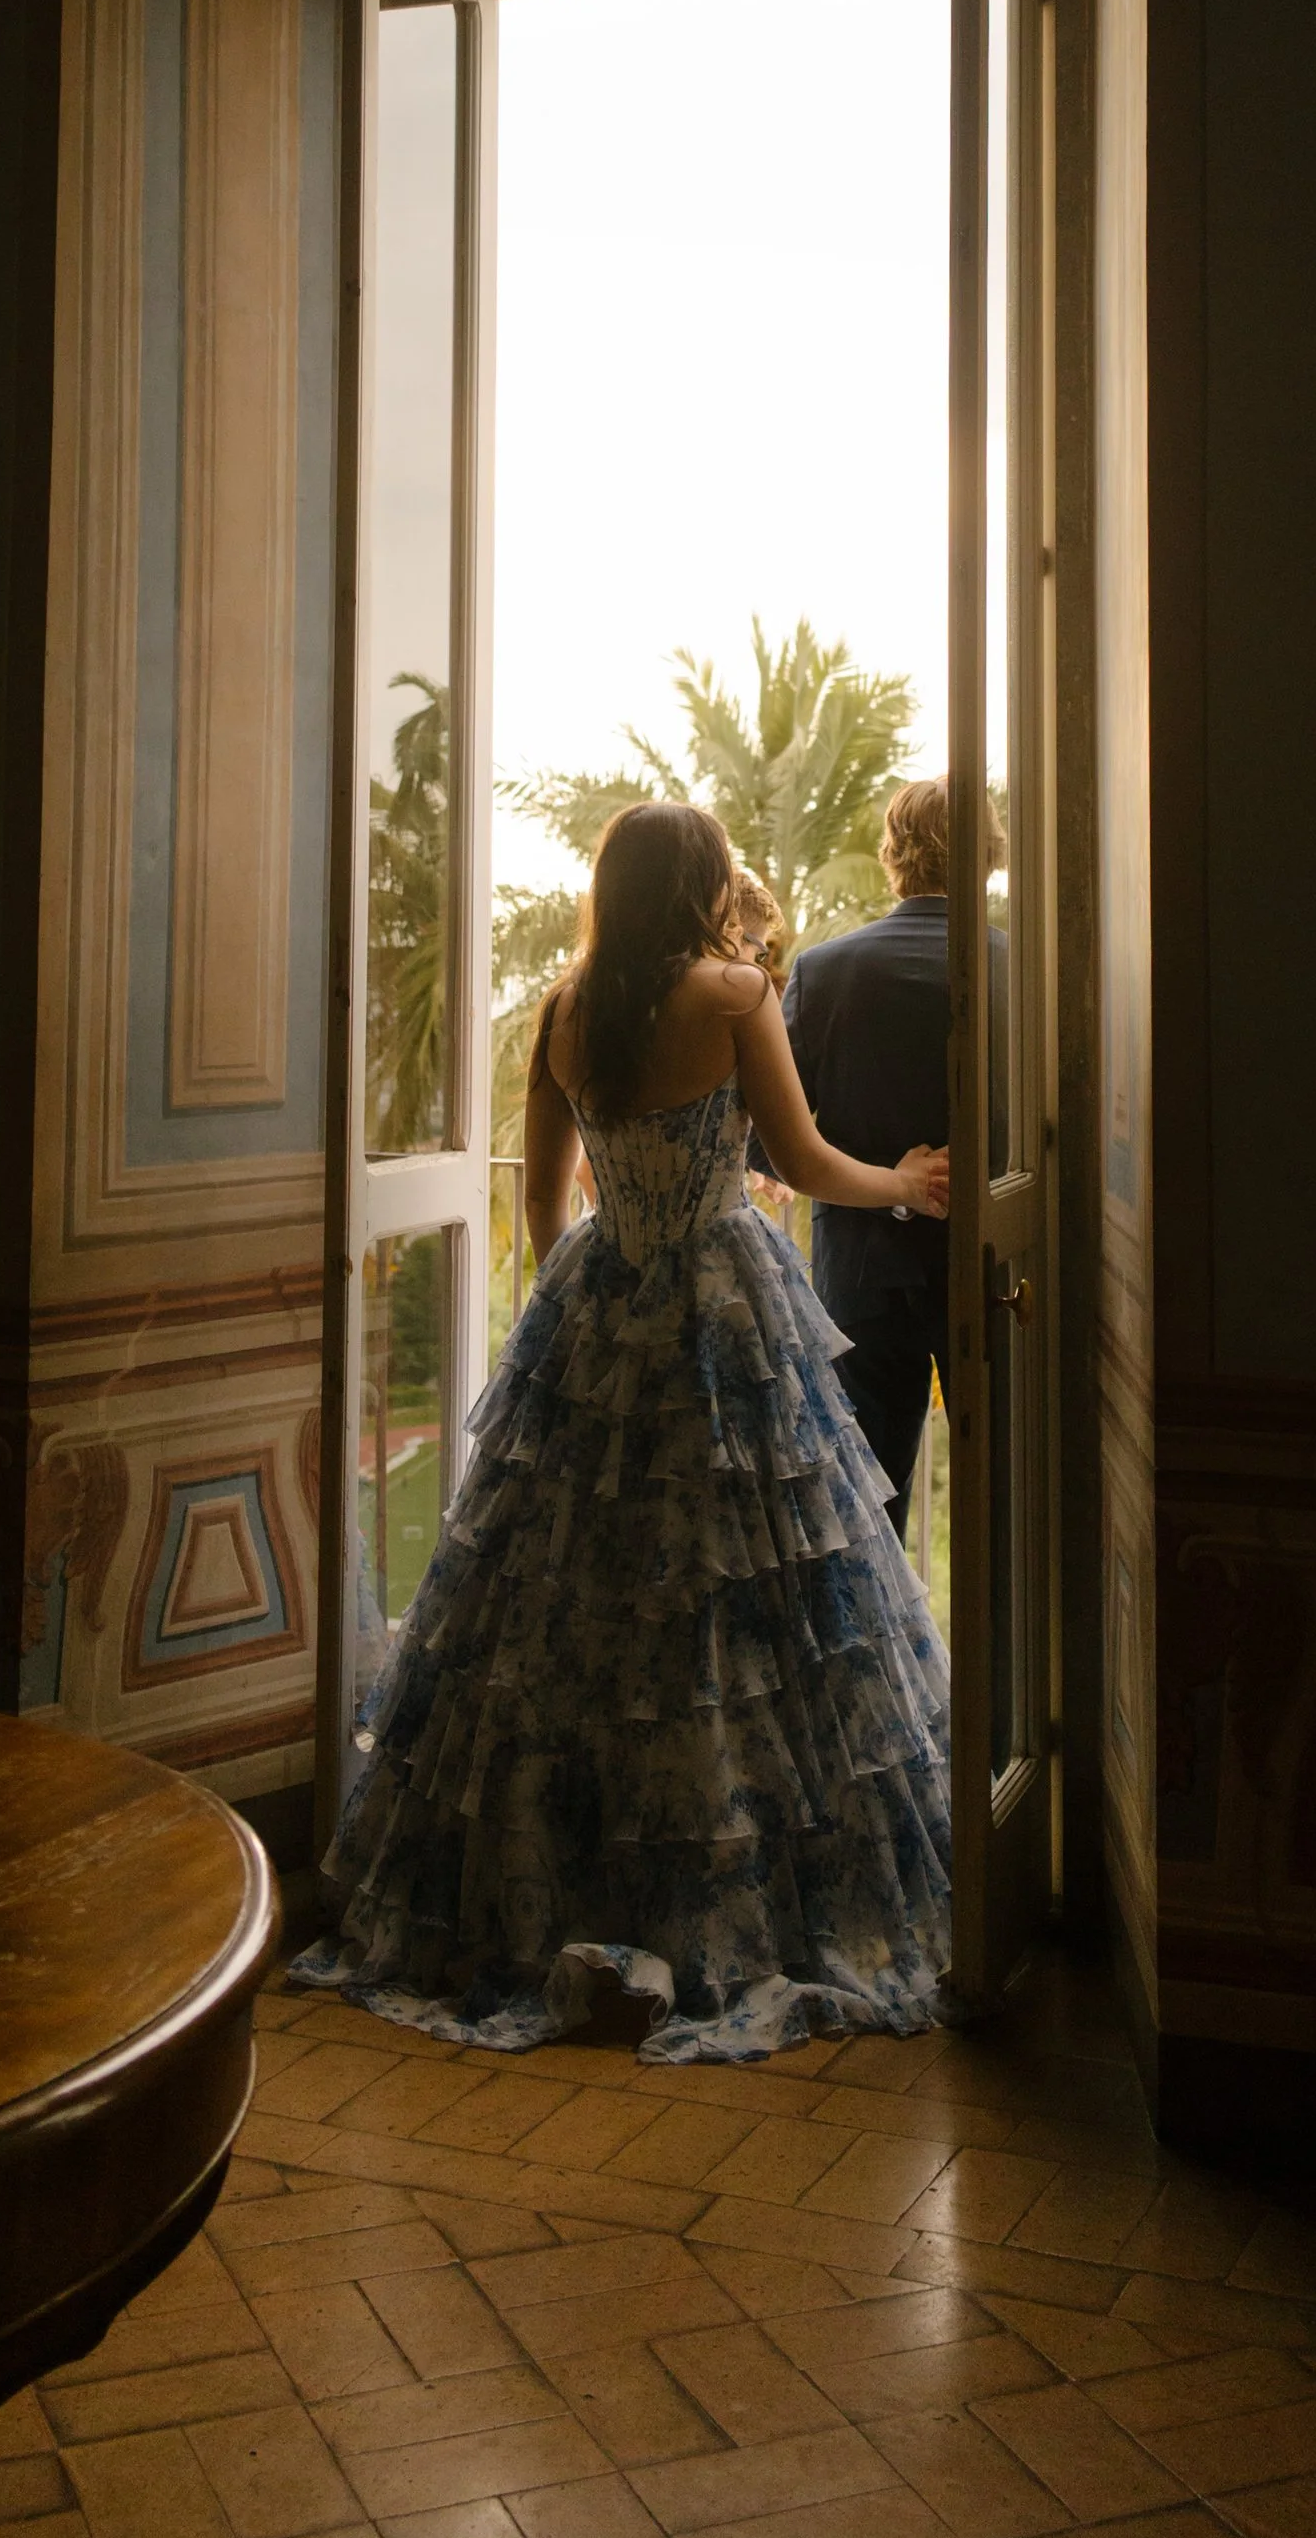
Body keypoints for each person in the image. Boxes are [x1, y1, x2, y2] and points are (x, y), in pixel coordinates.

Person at [290, 798, 952, 2064]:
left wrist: (585, 1318)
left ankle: (561, 1895)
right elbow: (805, 1163)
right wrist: (906, 1184)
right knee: (742, 1593)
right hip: (723, 1303)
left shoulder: (563, 1008)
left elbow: (543, 1197)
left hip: (600, 1306)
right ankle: (728, 1892)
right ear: (705, 883)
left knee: (574, 1602)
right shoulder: (734, 995)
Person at [781, 775, 994, 1543]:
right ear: (989, 853)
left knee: (864, 1512)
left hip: (860, 1271)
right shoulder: (1025, 970)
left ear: (893, 854)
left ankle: (875, 1663)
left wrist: (883, 1179)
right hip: (998, 1272)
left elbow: (763, 1141)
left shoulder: (824, 973)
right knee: (1003, 1502)